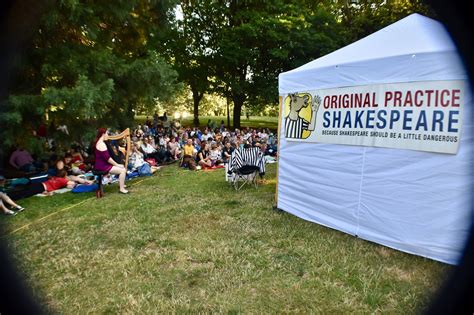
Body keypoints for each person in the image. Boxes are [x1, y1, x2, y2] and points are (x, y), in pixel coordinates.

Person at [94, 128, 128, 194]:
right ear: (103, 134)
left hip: (101, 165)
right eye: (106, 133)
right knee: (123, 170)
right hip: (102, 166)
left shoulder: (99, 142)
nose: (107, 135)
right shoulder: (101, 144)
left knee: (122, 168)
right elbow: (108, 158)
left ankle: (121, 185)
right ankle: (122, 189)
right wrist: (117, 165)